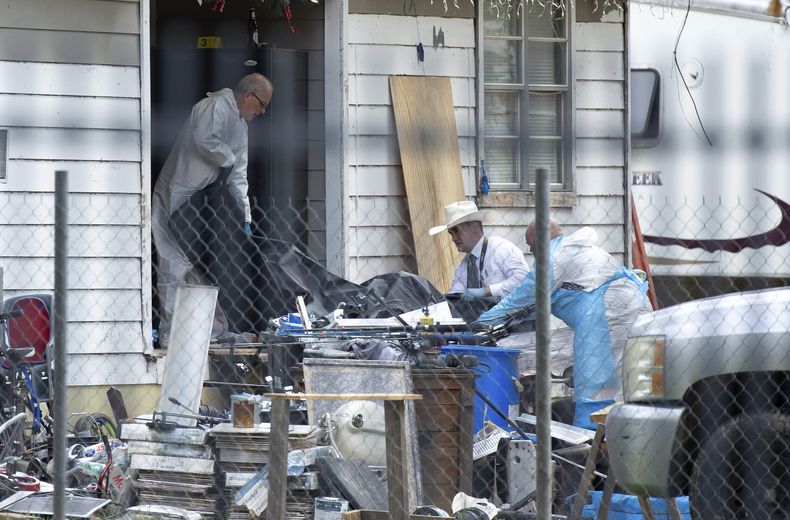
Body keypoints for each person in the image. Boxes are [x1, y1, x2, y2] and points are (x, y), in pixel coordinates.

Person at [476, 219, 651, 429]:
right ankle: (632, 431)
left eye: (531, 246)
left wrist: (477, 324)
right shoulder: (572, 252)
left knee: (595, 381)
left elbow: (520, 299)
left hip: (608, 313)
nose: (531, 251)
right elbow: (534, 304)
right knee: (632, 380)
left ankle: (590, 440)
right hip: (636, 309)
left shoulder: (553, 259)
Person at [152, 73, 273, 346]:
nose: (263, 111)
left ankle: (210, 333)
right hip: (177, 196)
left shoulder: (241, 126)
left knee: (205, 270)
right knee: (174, 266)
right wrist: (229, 159)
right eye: (262, 104)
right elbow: (205, 140)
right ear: (248, 96)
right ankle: (172, 336)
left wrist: (245, 217)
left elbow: (238, 176)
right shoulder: (215, 106)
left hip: (203, 206)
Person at [429, 200, 529, 301]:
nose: (453, 238)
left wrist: (486, 291)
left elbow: (524, 279)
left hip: (511, 314)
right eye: (451, 233)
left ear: (475, 228)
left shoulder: (500, 248)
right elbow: (456, 296)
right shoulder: (462, 268)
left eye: (456, 230)